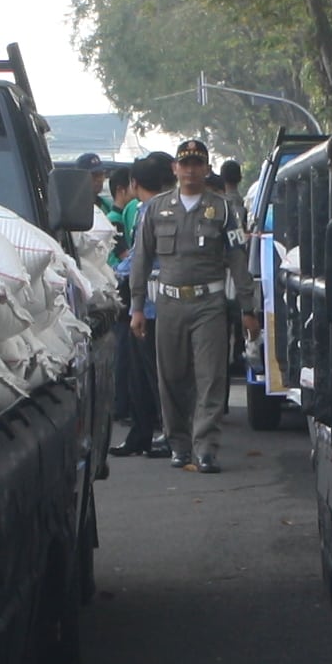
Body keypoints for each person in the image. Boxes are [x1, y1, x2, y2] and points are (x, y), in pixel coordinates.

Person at [131, 138, 248, 472]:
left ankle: (206, 447)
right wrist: (136, 307)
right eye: (185, 164)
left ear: (207, 169)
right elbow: (141, 259)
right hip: (168, 303)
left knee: (211, 376)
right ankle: (178, 444)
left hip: (209, 303)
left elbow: (237, 259)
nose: (190, 170)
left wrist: (247, 308)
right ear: (175, 169)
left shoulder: (223, 209)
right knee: (171, 376)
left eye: (197, 164)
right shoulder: (156, 209)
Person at [111, 155, 167, 457]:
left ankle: (166, 433)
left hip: (149, 304)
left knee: (153, 375)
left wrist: (115, 274)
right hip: (146, 303)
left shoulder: (150, 212)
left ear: (133, 183)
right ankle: (142, 433)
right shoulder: (159, 209)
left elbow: (139, 259)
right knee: (139, 375)